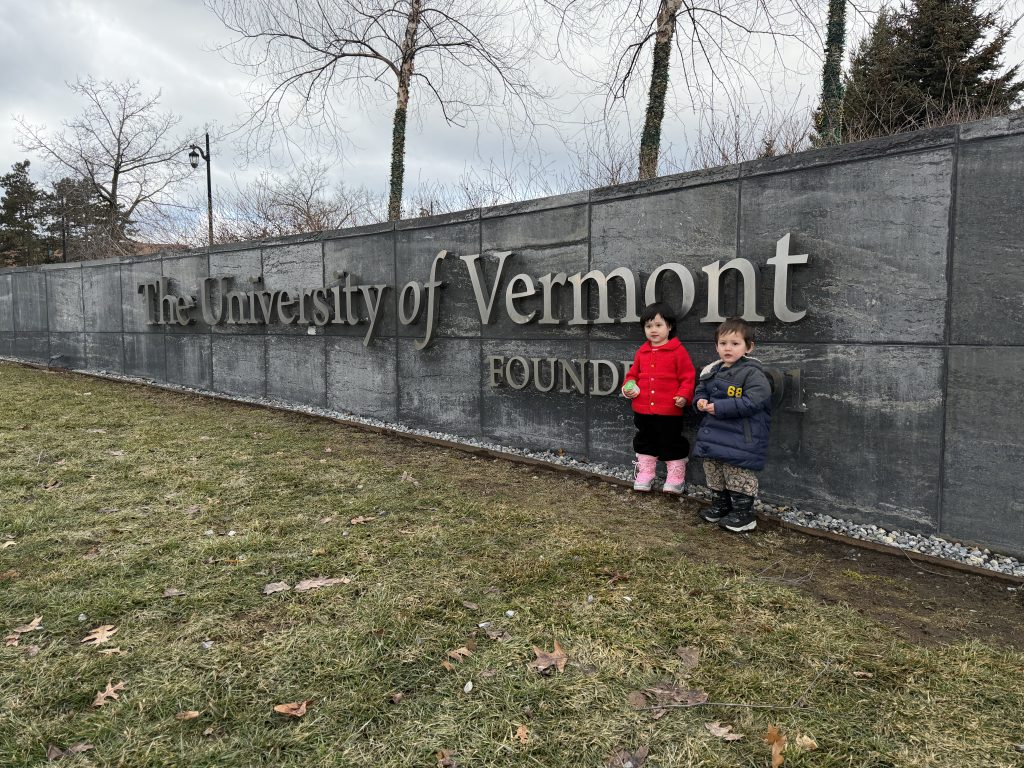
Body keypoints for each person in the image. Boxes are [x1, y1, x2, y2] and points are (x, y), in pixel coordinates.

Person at [693, 317, 772, 532]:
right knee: (714, 471)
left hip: (740, 437)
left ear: (749, 347)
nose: (728, 348)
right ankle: (721, 506)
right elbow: (701, 391)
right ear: (716, 346)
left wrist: (720, 407)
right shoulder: (711, 371)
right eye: (723, 343)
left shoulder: (753, 372)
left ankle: (743, 515)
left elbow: (755, 401)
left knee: (738, 475)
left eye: (735, 343)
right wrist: (699, 401)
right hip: (714, 435)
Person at [621, 302, 696, 494]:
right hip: (642, 409)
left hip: (669, 410)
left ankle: (676, 476)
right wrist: (628, 388)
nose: (653, 330)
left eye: (658, 325)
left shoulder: (677, 351)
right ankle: (646, 472)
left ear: (669, 326)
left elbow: (688, 377)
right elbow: (632, 375)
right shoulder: (642, 352)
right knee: (645, 439)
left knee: (671, 440)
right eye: (648, 326)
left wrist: (683, 395)